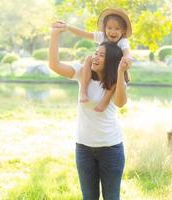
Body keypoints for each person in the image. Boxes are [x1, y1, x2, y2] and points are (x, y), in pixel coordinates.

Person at [49, 19, 130, 200]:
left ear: (110, 61)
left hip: (110, 148)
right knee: (88, 197)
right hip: (83, 148)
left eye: (101, 55)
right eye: (95, 53)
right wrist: (55, 35)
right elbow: (54, 65)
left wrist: (119, 72)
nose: (95, 57)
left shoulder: (117, 81)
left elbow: (120, 103)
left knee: (111, 197)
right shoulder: (82, 73)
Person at [53, 8, 132, 112]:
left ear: (123, 31)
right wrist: (67, 27)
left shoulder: (123, 41)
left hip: (115, 69)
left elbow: (127, 53)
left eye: (117, 29)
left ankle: (105, 101)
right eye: (109, 28)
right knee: (89, 58)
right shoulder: (102, 36)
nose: (113, 32)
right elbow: (84, 34)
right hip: (104, 67)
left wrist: (127, 61)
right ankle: (83, 91)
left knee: (115, 81)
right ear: (105, 28)